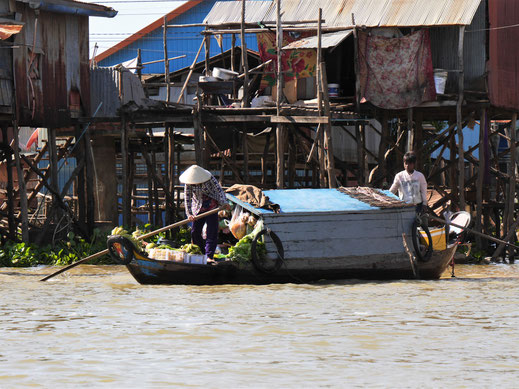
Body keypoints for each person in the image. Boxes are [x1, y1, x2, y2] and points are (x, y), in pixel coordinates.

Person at [180, 165, 228, 260]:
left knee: (211, 231)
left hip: (211, 206)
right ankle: (201, 254)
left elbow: (219, 191)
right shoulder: (189, 183)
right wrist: (189, 214)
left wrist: (224, 203)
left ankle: (209, 256)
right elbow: (187, 199)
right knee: (195, 232)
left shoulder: (209, 178)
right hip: (198, 207)